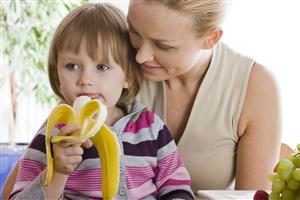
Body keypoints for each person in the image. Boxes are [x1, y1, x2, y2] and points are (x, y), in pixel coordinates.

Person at [2, 0, 282, 196]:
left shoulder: (253, 87)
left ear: (210, 38)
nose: (139, 57)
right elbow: (17, 191)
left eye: (163, 45)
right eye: (134, 32)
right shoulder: (107, 75)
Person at [7, 3, 193, 200]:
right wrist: (58, 173)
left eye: (102, 67)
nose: (85, 79)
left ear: (128, 76)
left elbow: (177, 188)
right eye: (72, 66)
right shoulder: (51, 137)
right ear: (56, 73)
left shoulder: (151, 129)